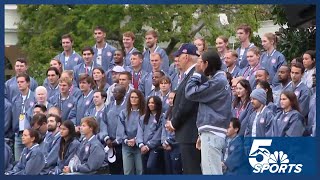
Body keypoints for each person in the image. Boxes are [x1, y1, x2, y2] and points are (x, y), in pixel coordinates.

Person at [185, 50, 232, 175]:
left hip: (212, 133)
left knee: (211, 172)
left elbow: (191, 92)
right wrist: (202, 134)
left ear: (206, 63)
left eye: (201, 62)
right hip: (211, 132)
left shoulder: (218, 81)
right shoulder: (219, 79)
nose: (198, 65)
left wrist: (196, 73)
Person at [165, 43, 202, 174]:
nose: (177, 60)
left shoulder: (194, 75)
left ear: (186, 57)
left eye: (179, 57)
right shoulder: (189, 74)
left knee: (192, 170)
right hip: (187, 132)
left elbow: (187, 103)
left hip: (190, 132)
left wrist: (174, 123)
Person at [116, 89, 145, 175]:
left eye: (136, 97)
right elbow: (120, 129)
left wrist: (136, 139)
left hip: (139, 146)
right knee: (128, 171)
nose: (134, 99)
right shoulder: (123, 113)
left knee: (140, 170)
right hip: (126, 146)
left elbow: (145, 129)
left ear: (140, 99)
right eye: (132, 97)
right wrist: (126, 140)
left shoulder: (144, 113)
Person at [11, 74, 36, 161]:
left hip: (31, 135)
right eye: (18, 82)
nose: (19, 84)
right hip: (18, 135)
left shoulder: (34, 97)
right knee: (18, 161)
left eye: (22, 82)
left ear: (28, 83)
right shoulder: (15, 99)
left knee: (30, 161)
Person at [137, 96, 164, 174]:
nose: (150, 104)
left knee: (150, 167)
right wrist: (141, 144)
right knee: (144, 169)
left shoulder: (162, 117)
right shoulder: (143, 118)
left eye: (152, 103)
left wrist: (149, 145)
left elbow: (159, 134)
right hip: (143, 147)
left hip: (155, 148)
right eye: (149, 103)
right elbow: (140, 132)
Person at [105, 85, 127, 174]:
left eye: (117, 92)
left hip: (122, 143)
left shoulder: (127, 106)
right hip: (110, 142)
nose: (114, 94)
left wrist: (118, 140)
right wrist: (106, 137)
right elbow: (103, 122)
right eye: (113, 92)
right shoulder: (109, 105)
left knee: (122, 168)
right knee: (112, 167)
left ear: (123, 94)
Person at [161, 91, 182, 174]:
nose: (170, 100)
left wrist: (168, 141)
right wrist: (163, 142)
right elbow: (163, 128)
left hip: (176, 146)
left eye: (172, 98)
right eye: (169, 98)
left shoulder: (179, 114)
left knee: (176, 171)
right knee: (168, 170)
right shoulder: (167, 113)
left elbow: (177, 130)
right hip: (166, 146)